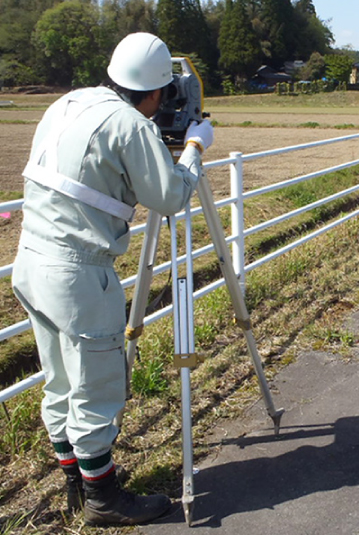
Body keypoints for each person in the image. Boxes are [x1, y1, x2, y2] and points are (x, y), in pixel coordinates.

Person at [11, 33, 214, 526]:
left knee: (59, 381)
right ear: (158, 92)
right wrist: (192, 147)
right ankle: (103, 499)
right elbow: (168, 198)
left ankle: (75, 484)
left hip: (31, 261)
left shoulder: (69, 101)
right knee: (97, 388)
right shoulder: (130, 125)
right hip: (78, 272)